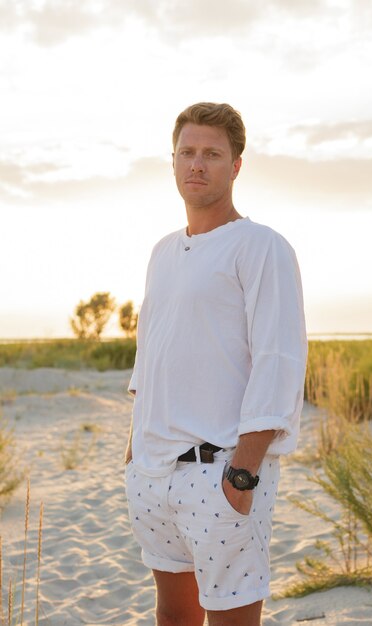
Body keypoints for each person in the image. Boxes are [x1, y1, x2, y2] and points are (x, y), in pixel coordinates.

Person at [124, 102, 307, 626]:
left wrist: (243, 473)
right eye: (187, 152)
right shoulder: (163, 251)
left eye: (211, 154)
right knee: (172, 616)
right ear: (173, 160)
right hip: (153, 473)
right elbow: (152, 348)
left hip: (220, 472)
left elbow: (280, 360)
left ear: (236, 164)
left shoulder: (260, 246)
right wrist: (135, 447)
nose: (197, 164)